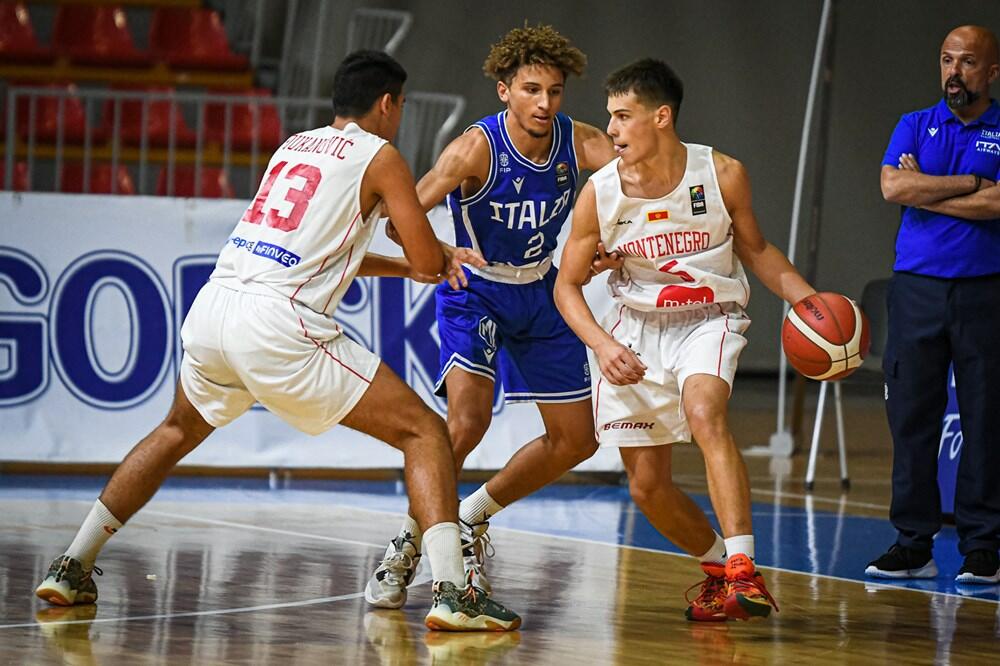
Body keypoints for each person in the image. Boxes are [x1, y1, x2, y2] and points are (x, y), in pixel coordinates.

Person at [33, 50, 520, 633]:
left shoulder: (293, 145)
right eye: (402, 104)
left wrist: (410, 266)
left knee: (173, 430)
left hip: (215, 307)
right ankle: (451, 592)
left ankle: (70, 565)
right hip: (276, 322)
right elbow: (422, 255)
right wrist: (435, 258)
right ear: (388, 104)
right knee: (425, 432)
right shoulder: (381, 155)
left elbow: (327, 251)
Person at [364, 24, 619, 609]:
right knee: (466, 422)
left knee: (577, 441)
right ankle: (408, 541)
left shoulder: (577, 141)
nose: (544, 103)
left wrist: (613, 243)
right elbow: (397, 216)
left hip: (542, 291)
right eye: (532, 89)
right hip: (476, 290)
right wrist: (440, 252)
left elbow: (633, 186)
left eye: (554, 91)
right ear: (504, 90)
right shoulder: (473, 149)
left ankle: (473, 513)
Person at [554, 58, 816, 621]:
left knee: (704, 411)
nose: (613, 130)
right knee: (648, 489)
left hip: (708, 317)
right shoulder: (598, 194)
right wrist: (602, 344)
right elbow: (567, 287)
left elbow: (757, 251)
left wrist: (805, 299)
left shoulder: (722, 174)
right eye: (610, 118)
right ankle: (721, 570)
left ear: (662, 118)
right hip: (636, 329)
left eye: (624, 117)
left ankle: (744, 567)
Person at [865, 25, 1000, 584]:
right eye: (947, 59)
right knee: (912, 418)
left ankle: (984, 547)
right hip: (916, 290)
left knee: (987, 419)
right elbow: (894, 188)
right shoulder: (914, 123)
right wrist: (971, 183)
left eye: (967, 62)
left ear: (991, 72)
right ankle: (913, 543)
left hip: (985, 291)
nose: (954, 71)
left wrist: (932, 189)